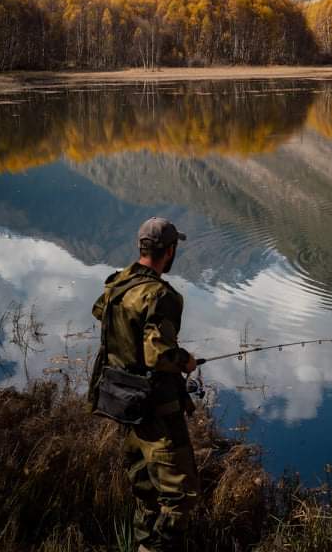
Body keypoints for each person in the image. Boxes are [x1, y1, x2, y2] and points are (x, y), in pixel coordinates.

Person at [91, 217, 198, 552]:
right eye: (174, 248)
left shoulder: (117, 283)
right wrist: (186, 361)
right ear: (169, 251)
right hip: (156, 410)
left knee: (145, 492)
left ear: (141, 247)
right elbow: (158, 355)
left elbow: (99, 312)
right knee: (180, 496)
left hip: (123, 403)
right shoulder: (162, 295)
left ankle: (142, 545)